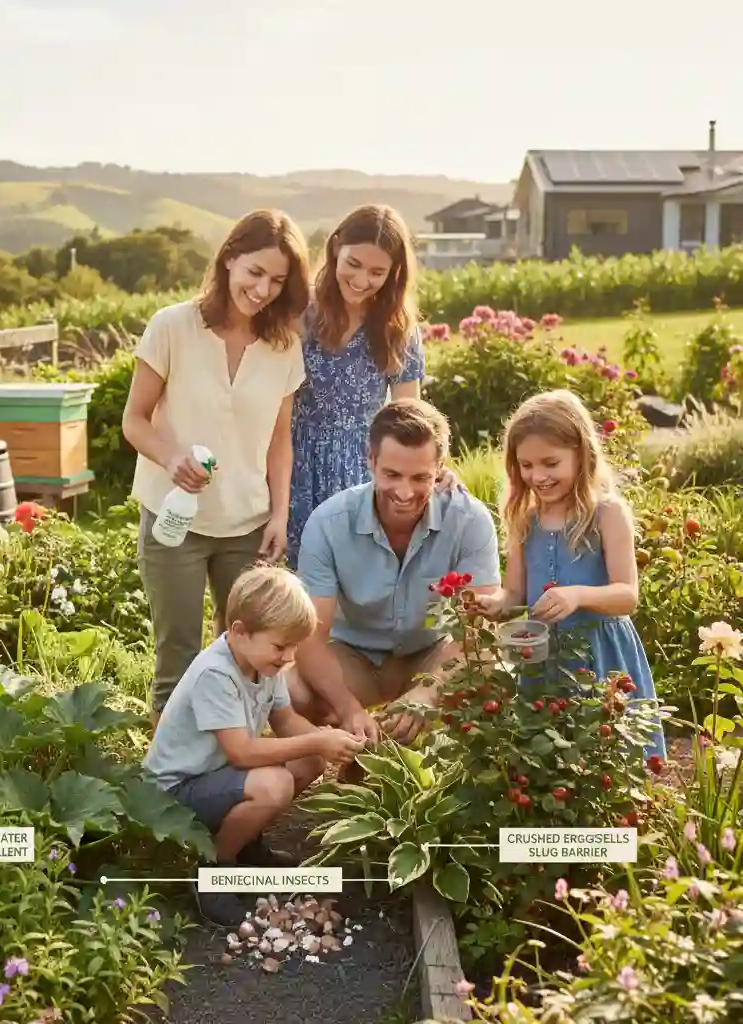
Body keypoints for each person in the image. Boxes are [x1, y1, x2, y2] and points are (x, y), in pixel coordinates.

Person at [122, 209, 311, 727]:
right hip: (173, 519)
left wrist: (277, 516)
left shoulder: (283, 347)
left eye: (277, 280)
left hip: (245, 525)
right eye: (255, 272)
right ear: (229, 257)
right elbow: (135, 421)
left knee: (250, 658)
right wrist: (171, 458)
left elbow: (279, 442)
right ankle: (165, 779)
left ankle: (240, 764)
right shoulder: (172, 326)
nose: (263, 289)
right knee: (178, 658)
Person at [143, 564, 365, 926]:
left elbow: (287, 722)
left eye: (293, 647)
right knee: (274, 784)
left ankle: (246, 845)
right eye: (280, 646)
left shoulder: (264, 665)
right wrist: (318, 739)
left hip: (213, 777)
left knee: (309, 761)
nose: (288, 657)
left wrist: (330, 743)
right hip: (173, 793)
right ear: (239, 632)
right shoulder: (215, 673)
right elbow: (242, 752)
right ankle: (213, 870)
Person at [290, 398, 501, 748]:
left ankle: (430, 761)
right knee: (293, 690)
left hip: (430, 651)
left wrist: (429, 690)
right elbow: (310, 637)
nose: (404, 492)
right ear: (371, 462)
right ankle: (337, 755)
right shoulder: (329, 523)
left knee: (492, 671)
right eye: (392, 475)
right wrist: (349, 709)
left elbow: (480, 627)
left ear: (440, 469)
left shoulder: (469, 521)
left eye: (420, 477)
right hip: (355, 654)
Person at [472, 390, 667, 760]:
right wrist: (492, 603)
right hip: (543, 656)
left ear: (582, 453)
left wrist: (578, 595)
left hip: (601, 656)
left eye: (550, 463)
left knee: (610, 754)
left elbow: (628, 595)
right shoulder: (525, 519)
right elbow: (513, 591)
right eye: (526, 466)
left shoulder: (607, 513)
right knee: (547, 756)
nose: (538, 476)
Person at [286, 205, 445, 570]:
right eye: (354, 264)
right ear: (336, 247)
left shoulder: (396, 327)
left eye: (377, 272)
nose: (361, 279)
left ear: (393, 273)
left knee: (354, 579)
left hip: (362, 467)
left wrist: (433, 465)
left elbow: (409, 412)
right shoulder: (300, 312)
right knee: (292, 586)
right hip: (294, 460)